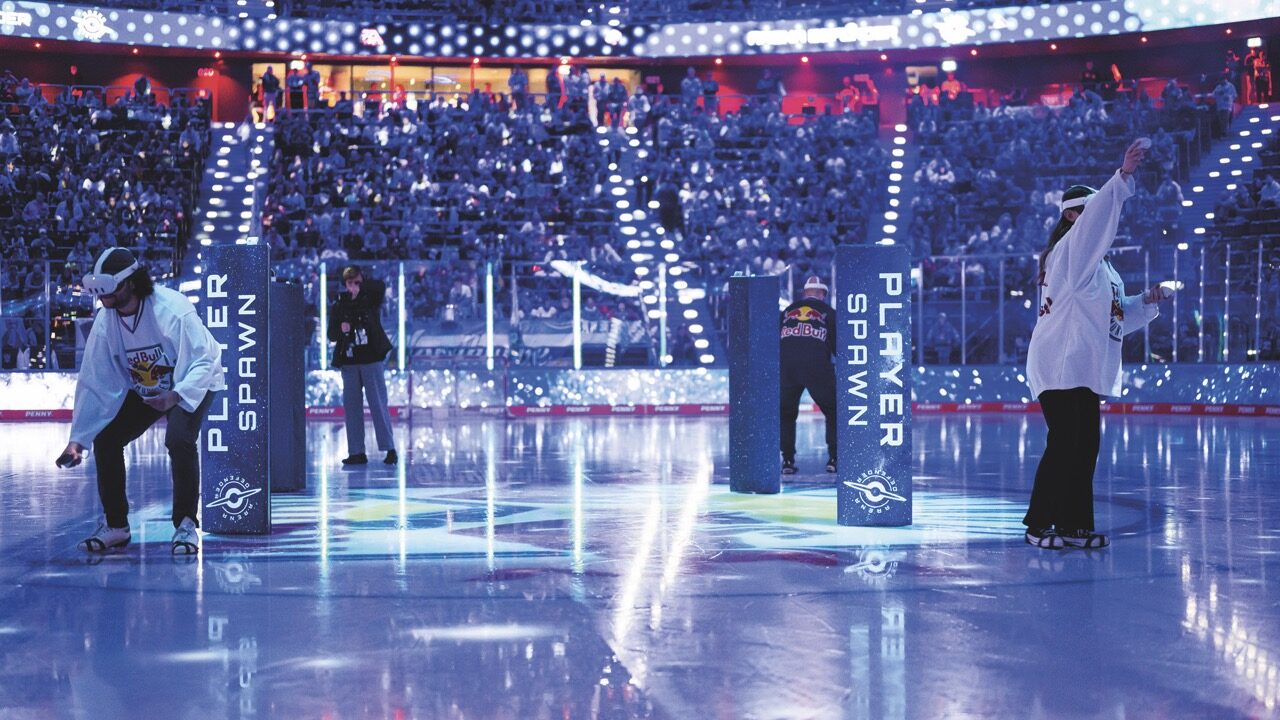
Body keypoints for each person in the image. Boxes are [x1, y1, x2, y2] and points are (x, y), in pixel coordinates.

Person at [1024, 139, 1175, 550]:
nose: (1098, 220)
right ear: (1072, 216)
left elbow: (1112, 319)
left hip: (1084, 363)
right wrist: (1122, 176)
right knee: (1066, 442)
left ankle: (1073, 524)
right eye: (1088, 213)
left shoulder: (1102, 269)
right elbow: (1096, 226)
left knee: (1085, 444)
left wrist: (1145, 300)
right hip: (1059, 363)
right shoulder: (1069, 252)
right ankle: (1039, 524)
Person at [55, 248, 224, 555]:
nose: (103, 298)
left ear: (130, 284)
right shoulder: (106, 322)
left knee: (178, 439)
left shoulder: (173, 309)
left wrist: (175, 395)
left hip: (193, 380)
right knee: (107, 440)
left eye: (109, 289)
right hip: (148, 388)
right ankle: (117, 526)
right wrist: (79, 439)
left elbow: (202, 360)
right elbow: (95, 380)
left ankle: (186, 524)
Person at [328, 265, 397, 466]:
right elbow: (331, 334)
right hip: (349, 361)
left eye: (357, 282)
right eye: (350, 283)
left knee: (378, 404)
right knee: (352, 407)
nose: (353, 286)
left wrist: (362, 288)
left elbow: (380, 287)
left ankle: (389, 448)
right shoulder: (340, 305)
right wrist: (342, 330)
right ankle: (356, 451)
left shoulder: (370, 299)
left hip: (371, 359)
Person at [779, 276, 838, 475]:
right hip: (817, 366)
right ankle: (834, 459)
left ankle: (787, 460)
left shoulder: (787, 312)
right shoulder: (829, 313)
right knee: (833, 411)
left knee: (786, 414)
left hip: (787, 367)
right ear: (822, 294)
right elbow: (839, 347)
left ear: (805, 293)